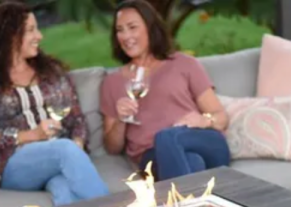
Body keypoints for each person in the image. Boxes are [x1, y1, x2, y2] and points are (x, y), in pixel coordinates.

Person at [0, 1, 109, 207]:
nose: (39, 36)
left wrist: (77, 147)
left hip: (56, 157)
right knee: (63, 150)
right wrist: (32, 135)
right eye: (31, 30)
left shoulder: (51, 71)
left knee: (64, 189)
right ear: (10, 36)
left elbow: (76, 118)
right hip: (13, 165)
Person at [99, 0, 231, 181]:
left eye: (132, 27)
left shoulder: (184, 64)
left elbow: (221, 117)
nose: (125, 36)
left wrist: (204, 120)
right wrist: (121, 120)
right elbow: (112, 147)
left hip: (202, 139)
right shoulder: (112, 83)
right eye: (119, 30)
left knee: (167, 138)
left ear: (150, 28)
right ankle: (194, 206)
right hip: (152, 157)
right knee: (192, 162)